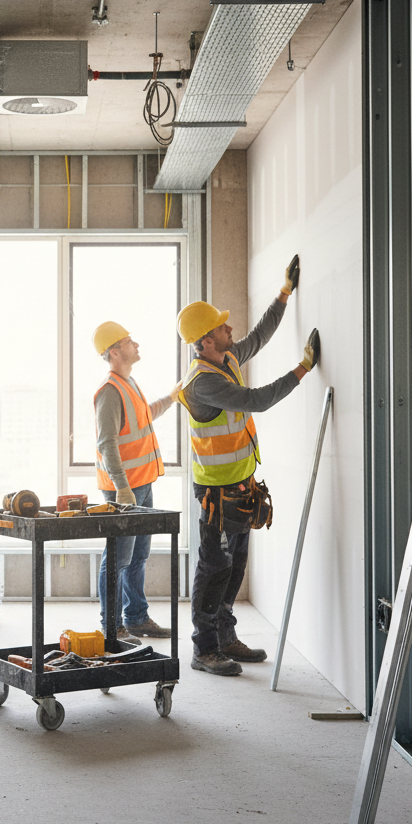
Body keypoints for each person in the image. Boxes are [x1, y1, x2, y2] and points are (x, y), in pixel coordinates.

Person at [176, 255, 320, 676]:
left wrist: (285, 292)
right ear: (205, 342)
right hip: (215, 492)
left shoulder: (227, 359)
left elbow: (259, 335)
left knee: (235, 564)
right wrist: (303, 368)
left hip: (240, 484)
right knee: (214, 566)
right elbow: (257, 400)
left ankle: (225, 637)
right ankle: (204, 649)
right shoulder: (203, 383)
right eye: (222, 328)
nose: (230, 329)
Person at [91, 321, 181, 644]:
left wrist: (171, 398)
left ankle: (137, 618)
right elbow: (107, 444)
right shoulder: (110, 391)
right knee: (117, 559)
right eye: (129, 341)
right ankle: (112, 628)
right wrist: (122, 487)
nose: (136, 344)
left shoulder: (129, 384)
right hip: (124, 491)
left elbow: (144, 416)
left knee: (138, 556)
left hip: (141, 485)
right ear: (114, 352)